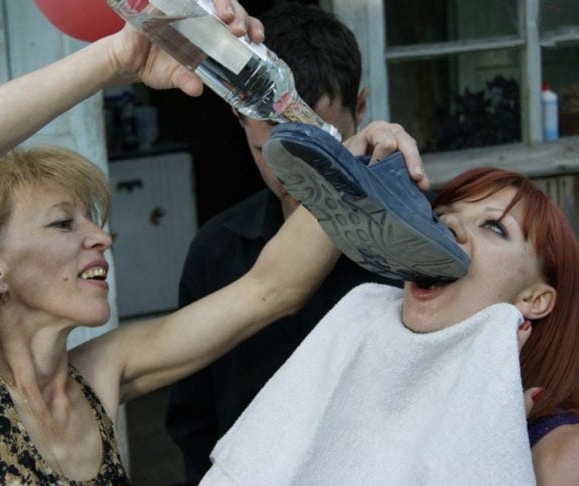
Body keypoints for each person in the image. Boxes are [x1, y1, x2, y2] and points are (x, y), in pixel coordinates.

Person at [0, 1, 425, 484]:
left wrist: (348, 157)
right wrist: (117, 60)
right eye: (64, 224)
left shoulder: (99, 377)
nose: (101, 238)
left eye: (92, 221)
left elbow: (270, 288)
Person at [201, 129, 579, 484]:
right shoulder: (360, 325)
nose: (448, 227)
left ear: (535, 299)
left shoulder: (562, 456)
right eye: (440, 216)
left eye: (494, 227)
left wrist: (489, 434)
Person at [165, 4, 405, 482]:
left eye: (318, 144)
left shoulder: (413, 237)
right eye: (271, 149)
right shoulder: (215, 250)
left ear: (360, 108)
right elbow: (193, 418)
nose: (296, 173)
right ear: (239, 117)